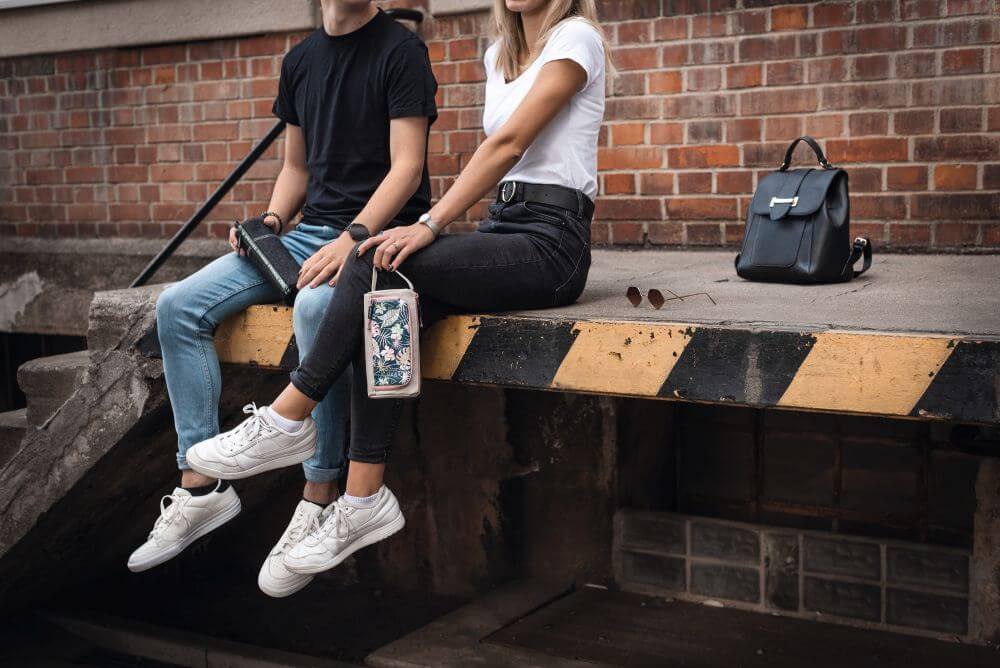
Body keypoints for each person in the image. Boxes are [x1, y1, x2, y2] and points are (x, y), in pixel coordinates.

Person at [184, 0, 609, 582]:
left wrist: (429, 223)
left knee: (369, 256)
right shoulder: (499, 57)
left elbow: (508, 145)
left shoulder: (576, 39)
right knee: (385, 301)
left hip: (553, 243)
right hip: (503, 228)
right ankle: (362, 499)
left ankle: (290, 415)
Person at [127, 0, 438, 600]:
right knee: (178, 306)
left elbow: (407, 169)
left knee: (315, 309)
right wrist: (269, 223)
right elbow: (296, 165)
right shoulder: (300, 60)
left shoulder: (402, 51)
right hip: (307, 234)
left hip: (380, 234)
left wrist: (353, 240)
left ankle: (319, 496)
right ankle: (200, 487)